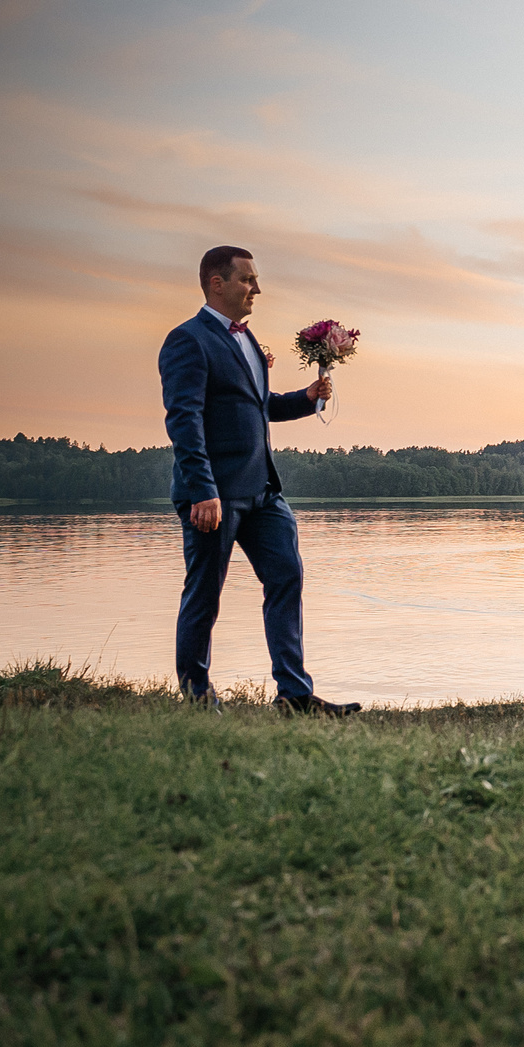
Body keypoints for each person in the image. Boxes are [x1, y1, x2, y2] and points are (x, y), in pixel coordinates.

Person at [161, 245, 358, 716]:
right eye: (248, 279)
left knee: (287, 576)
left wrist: (306, 398)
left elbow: (258, 406)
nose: (257, 289)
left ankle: (294, 695)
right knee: (205, 594)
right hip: (214, 495)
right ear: (217, 283)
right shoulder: (188, 340)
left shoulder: (247, 340)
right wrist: (203, 489)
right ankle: (196, 697)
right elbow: (184, 418)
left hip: (263, 492)